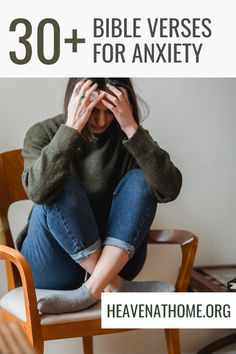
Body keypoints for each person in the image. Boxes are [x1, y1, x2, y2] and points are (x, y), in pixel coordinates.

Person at [18, 78, 182, 314]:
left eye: (110, 111)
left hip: (117, 259)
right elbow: (38, 191)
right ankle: (115, 286)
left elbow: (168, 190)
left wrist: (132, 129)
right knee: (59, 186)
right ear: (75, 101)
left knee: (140, 180)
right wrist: (71, 129)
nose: (102, 120)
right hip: (52, 264)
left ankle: (91, 289)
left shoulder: (128, 137)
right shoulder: (42, 133)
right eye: (94, 110)